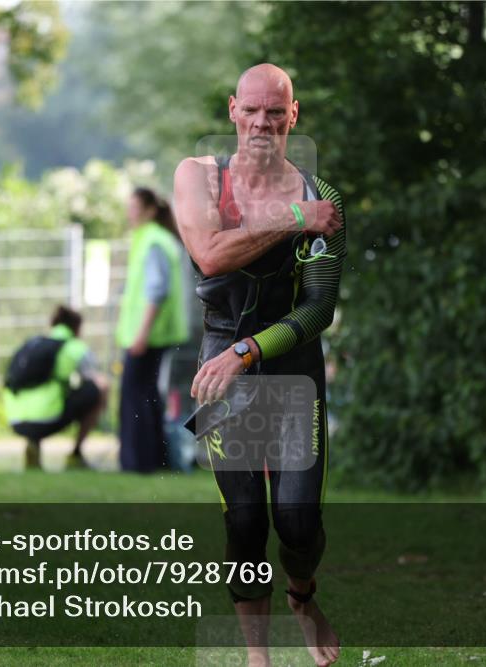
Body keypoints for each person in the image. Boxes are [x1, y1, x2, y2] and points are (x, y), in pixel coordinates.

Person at [173, 64, 346, 666]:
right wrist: (294, 220)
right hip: (219, 366)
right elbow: (211, 254)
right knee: (245, 522)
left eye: (276, 112)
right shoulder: (197, 176)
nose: (263, 123)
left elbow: (318, 310)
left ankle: (303, 594)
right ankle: (258, 658)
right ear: (232, 111)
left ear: (293, 117)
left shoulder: (324, 198)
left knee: (297, 522)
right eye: (252, 110)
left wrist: (250, 351)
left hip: (292, 370)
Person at [115, 188, 191, 472]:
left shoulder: (154, 241)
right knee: (148, 394)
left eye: (134, 206)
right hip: (150, 334)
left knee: (136, 396)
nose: (129, 212)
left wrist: (142, 333)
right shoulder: (152, 239)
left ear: (149, 210)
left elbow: (156, 290)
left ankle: (139, 461)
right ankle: (155, 459)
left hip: (148, 335)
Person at [3, 305, 107, 470]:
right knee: (97, 390)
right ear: (77, 328)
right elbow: (100, 383)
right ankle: (76, 454)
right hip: (48, 418)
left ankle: (33, 445)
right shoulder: (75, 347)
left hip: (15, 419)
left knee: (46, 392)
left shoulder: (33, 344)